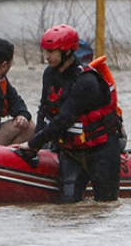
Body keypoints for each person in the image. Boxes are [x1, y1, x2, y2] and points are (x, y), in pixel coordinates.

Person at [18, 25, 122, 203]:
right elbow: (44, 110)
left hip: (101, 151)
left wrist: (33, 144)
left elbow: (64, 119)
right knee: (68, 206)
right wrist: (38, 146)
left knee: (105, 205)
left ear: (66, 52)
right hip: (71, 152)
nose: (47, 56)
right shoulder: (49, 74)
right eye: (46, 51)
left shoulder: (85, 81)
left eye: (51, 51)